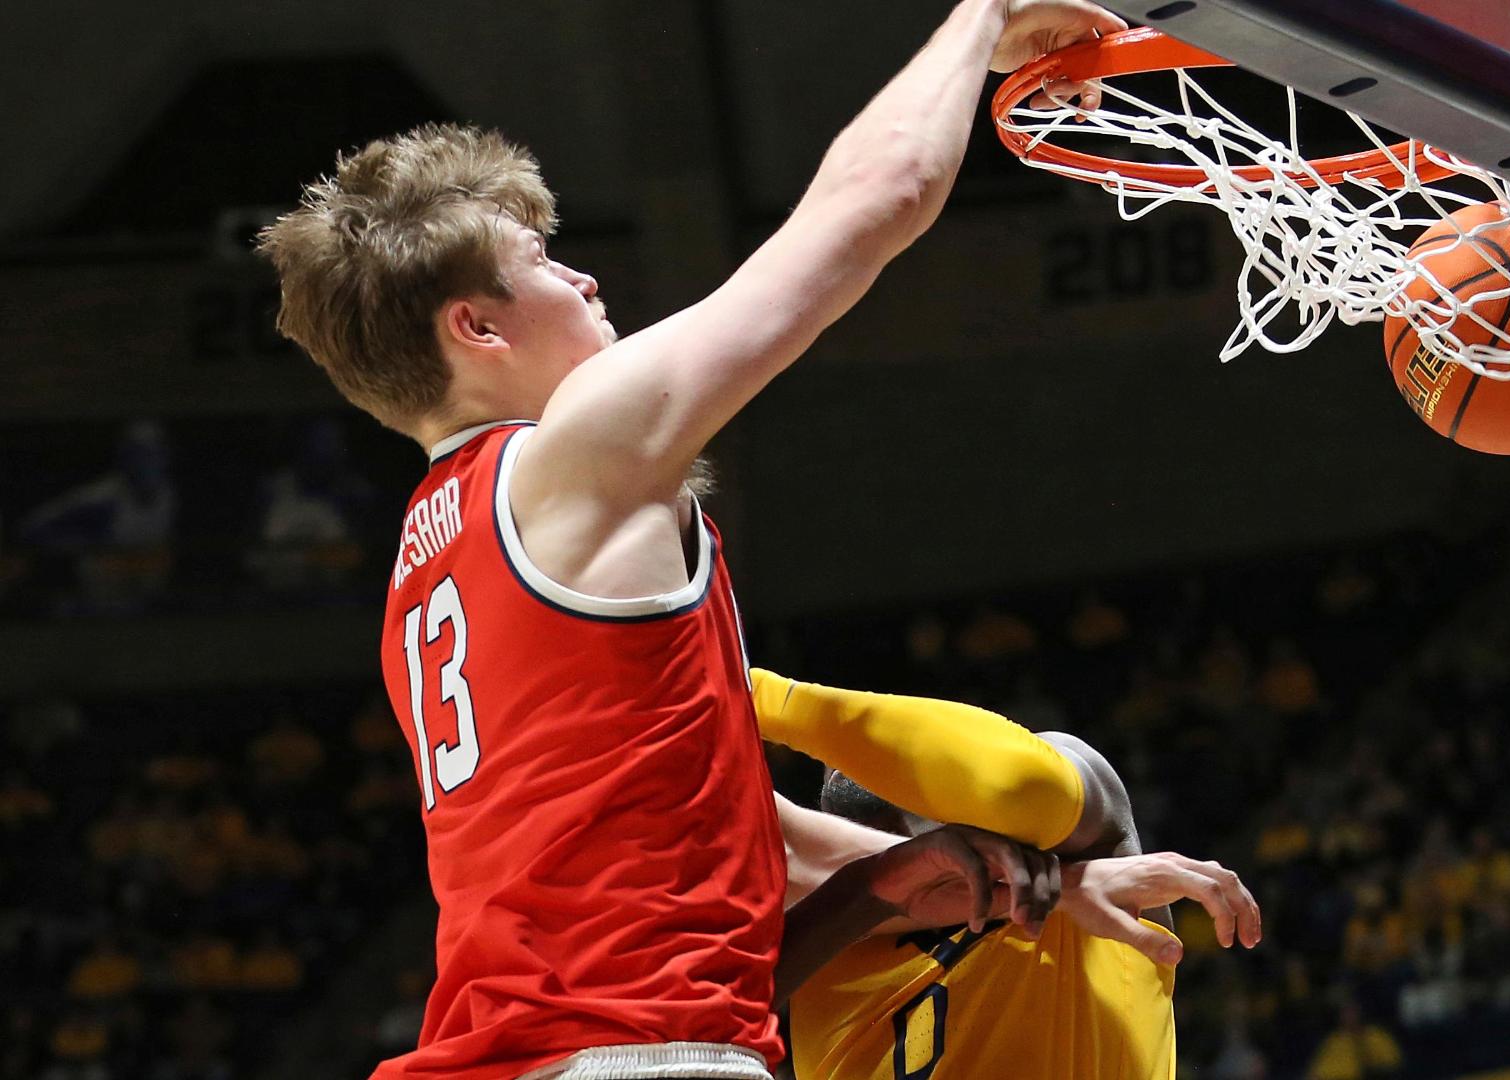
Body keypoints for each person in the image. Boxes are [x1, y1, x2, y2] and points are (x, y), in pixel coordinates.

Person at [255, 3, 1127, 1078]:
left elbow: (739, 832)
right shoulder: (576, 451)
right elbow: (871, 206)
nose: (585, 280)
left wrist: (1050, 890)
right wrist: (985, 13)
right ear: (475, 329)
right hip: (632, 1056)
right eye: (543, 261)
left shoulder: (422, 571)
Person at [757, 671, 1259, 1080]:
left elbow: (1021, 786)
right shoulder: (807, 916)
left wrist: (754, 695)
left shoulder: (1081, 842)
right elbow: (785, 845)